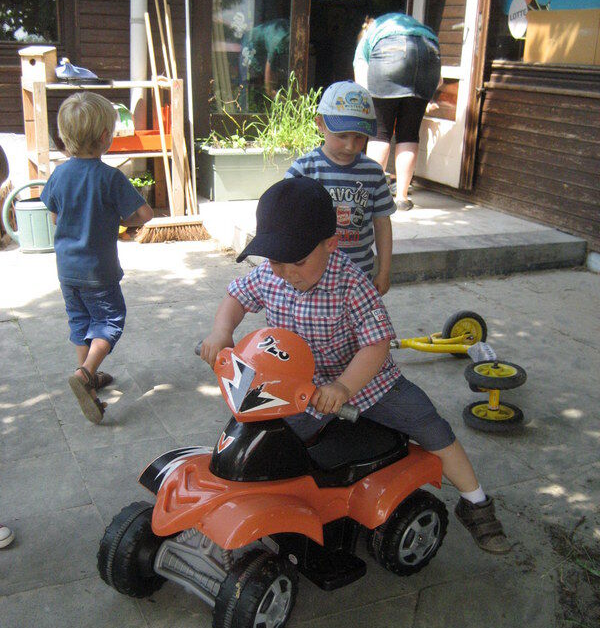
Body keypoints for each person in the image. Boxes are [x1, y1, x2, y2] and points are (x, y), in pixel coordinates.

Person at [200, 177, 510, 554]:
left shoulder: (352, 284)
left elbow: (376, 344)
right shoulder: (269, 274)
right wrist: (221, 331)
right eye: (276, 259)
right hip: (301, 390)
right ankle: (277, 507)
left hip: (370, 385)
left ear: (330, 244)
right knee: (263, 438)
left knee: (430, 426)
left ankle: (476, 502)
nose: (286, 271)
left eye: (297, 260)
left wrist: (344, 387)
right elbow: (235, 298)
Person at [40, 92, 153, 424]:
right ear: (105, 137)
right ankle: (86, 372)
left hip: (67, 270)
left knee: (81, 323)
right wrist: (120, 218)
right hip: (98, 272)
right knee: (110, 320)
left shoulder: (59, 174)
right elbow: (144, 214)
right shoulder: (110, 177)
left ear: (64, 136)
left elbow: (55, 217)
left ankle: (88, 382)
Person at [285, 80, 395, 296]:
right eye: (342, 135)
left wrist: (384, 271)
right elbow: (285, 222)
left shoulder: (373, 173)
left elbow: (382, 223)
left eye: (359, 137)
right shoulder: (303, 169)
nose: (350, 145)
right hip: (313, 276)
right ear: (320, 124)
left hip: (359, 275)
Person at [353, 13, 441, 211]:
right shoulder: (416, 28)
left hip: (390, 56)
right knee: (409, 134)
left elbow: (361, 82)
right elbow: (439, 80)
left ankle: (369, 196)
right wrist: (424, 98)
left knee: (380, 133)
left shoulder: (368, 39)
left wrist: (369, 110)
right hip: (429, 53)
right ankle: (402, 197)